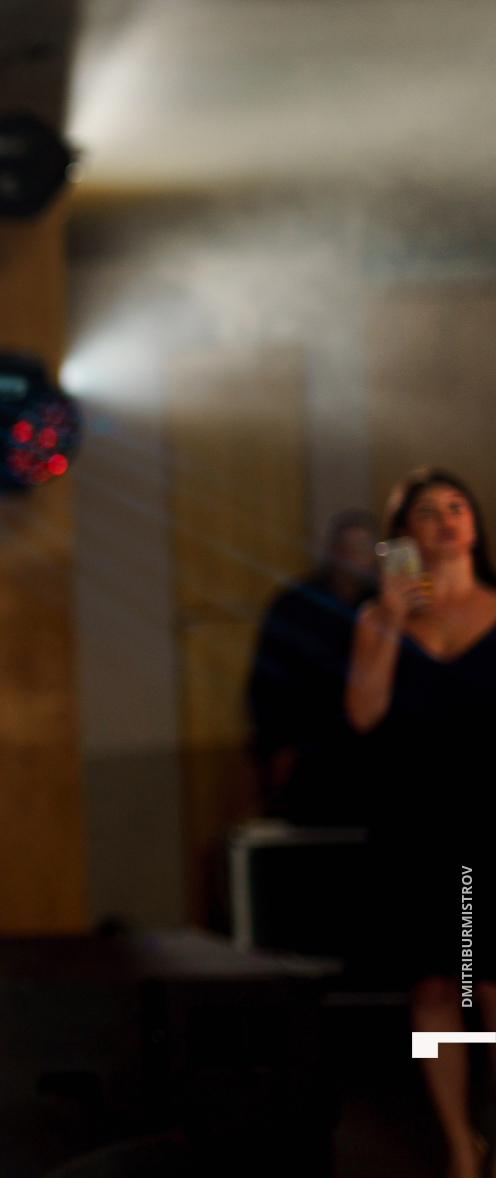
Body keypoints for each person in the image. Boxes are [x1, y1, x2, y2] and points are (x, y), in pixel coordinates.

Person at [344, 468, 496, 1178]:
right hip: (416, 822)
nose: (446, 520)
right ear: (403, 535)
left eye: (457, 507)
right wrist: (392, 621)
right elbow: (363, 714)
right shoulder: (377, 620)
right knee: (433, 988)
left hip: (490, 817)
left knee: (490, 984)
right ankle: (459, 1142)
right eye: (428, 512)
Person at [246, 508, 377, 823]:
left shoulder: (384, 605)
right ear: (332, 551)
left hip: (372, 751)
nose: (353, 557)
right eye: (346, 547)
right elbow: (266, 684)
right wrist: (278, 746)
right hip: (307, 747)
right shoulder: (295, 605)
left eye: (363, 548)